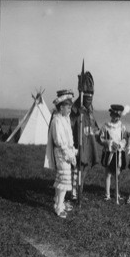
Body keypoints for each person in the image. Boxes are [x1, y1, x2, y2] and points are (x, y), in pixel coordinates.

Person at [44, 90, 77, 218]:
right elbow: (59, 140)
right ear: (61, 107)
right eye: (68, 107)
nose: (70, 109)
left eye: (70, 107)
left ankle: (59, 202)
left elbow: (69, 138)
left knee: (61, 179)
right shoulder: (56, 120)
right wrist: (68, 154)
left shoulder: (65, 119)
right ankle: (58, 207)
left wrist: (72, 150)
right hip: (61, 152)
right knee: (64, 180)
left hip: (67, 151)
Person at [70, 71, 100, 201]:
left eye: (91, 97)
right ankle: (74, 192)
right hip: (78, 141)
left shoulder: (90, 108)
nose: (89, 100)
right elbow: (70, 123)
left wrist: (97, 130)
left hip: (89, 141)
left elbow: (93, 122)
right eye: (87, 97)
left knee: (86, 165)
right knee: (77, 167)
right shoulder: (75, 107)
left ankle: (80, 190)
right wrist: (78, 113)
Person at [99, 104, 129, 201]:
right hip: (109, 152)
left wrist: (120, 144)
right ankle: (107, 194)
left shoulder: (122, 127)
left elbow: (125, 138)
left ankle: (117, 193)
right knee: (107, 174)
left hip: (119, 152)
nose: (116, 118)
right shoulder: (105, 126)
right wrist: (109, 143)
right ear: (111, 115)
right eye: (114, 115)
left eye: (118, 116)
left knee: (117, 174)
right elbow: (100, 138)